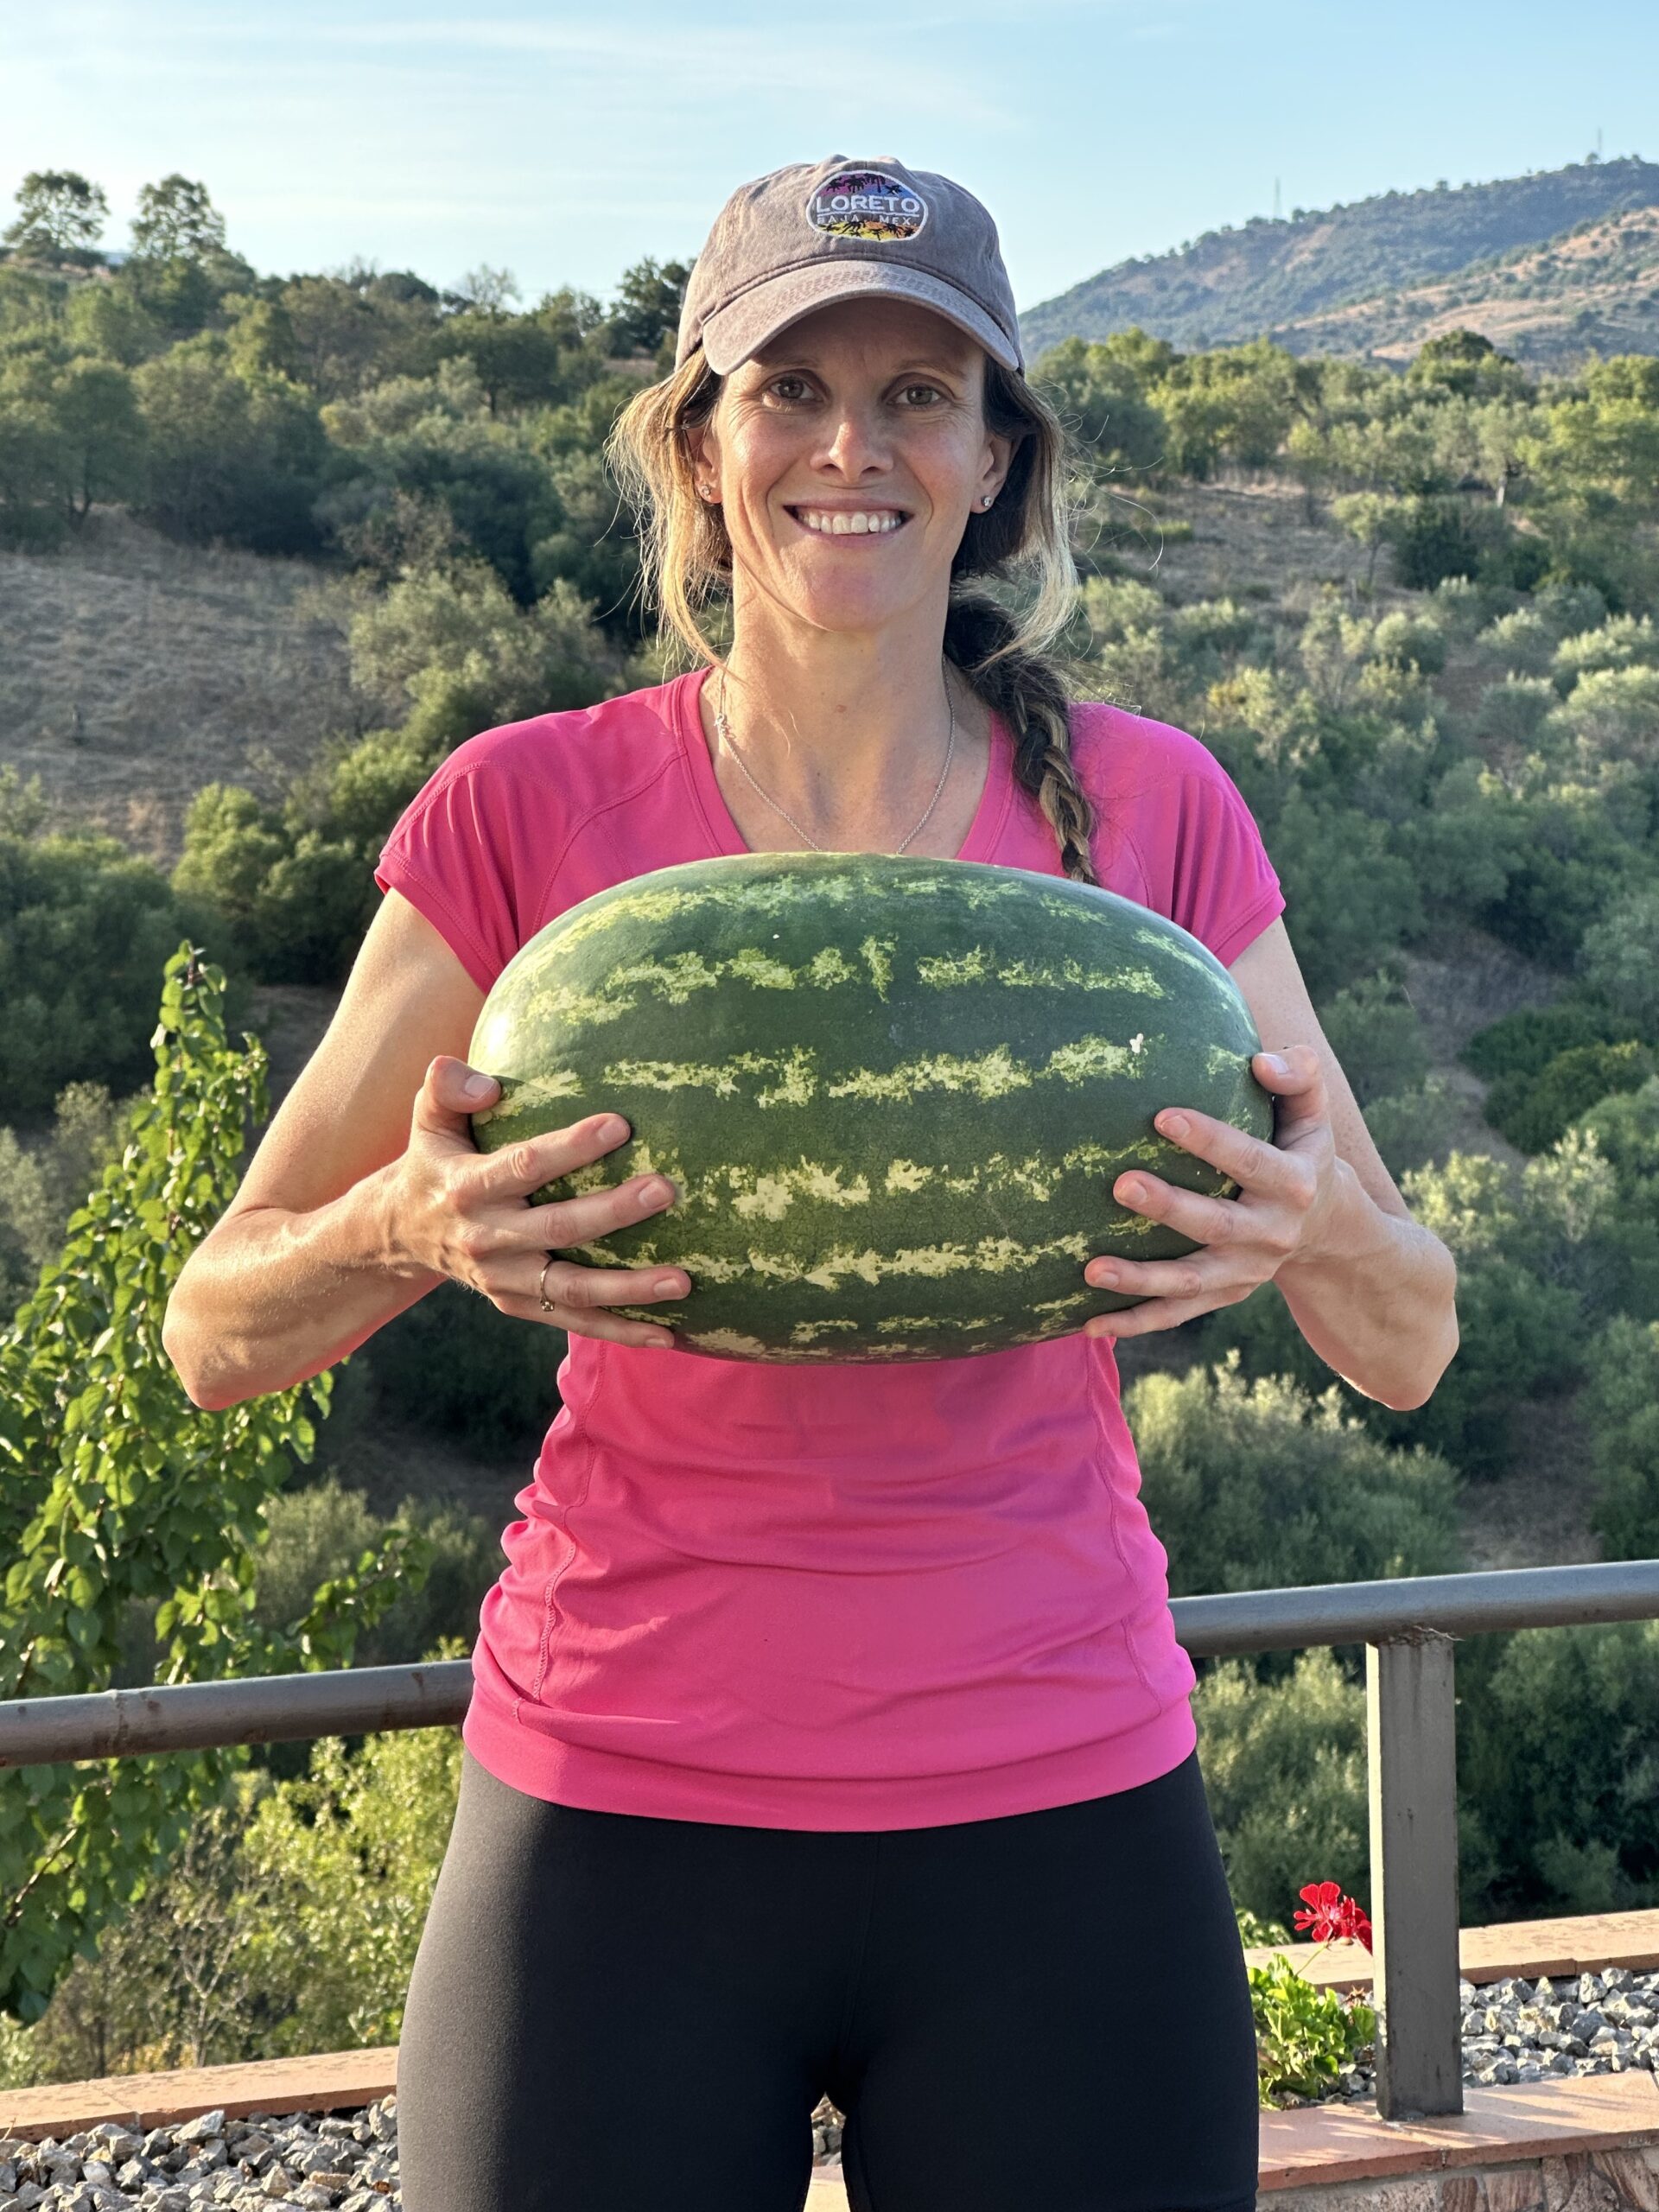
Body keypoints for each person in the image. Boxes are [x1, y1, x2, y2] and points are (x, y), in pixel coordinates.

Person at [163, 155, 1459, 2212]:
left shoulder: (1153, 814)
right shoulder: (523, 809)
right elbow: (211, 1327)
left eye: (920, 393)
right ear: (701, 444)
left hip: (1057, 1813)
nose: (852, 445)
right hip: (614, 1814)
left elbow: (1409, 1339)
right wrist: (401, 1228)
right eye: (791, 387)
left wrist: (1320, 1234)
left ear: (995, 462)